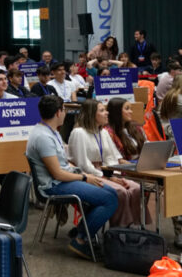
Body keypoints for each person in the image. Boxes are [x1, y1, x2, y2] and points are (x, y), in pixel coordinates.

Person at [26, 95, 118, 260]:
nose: (65, 114)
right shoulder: (43, 137)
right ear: (58, 112)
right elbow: (57, 173)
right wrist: (84, 178)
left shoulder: (49, 131)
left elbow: (61, 165)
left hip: (61, 180)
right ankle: (81, 239)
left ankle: (81, 231)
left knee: (110, 193)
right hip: (54, 185)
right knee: (109, 199)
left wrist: (82, 174)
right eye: (64, 110)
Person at [67, 100, 144, 227]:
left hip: (106, 172)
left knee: (135, 188)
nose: (107, 113)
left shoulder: (103, 132)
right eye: (102, 110)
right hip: (89, 175)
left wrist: (116, 176)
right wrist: (109, 177)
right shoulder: (79, 133)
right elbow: (83, 164)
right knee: (120, 191)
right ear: (92, 114)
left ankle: (132, 227)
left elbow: (112, 157)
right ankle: (118, 230)